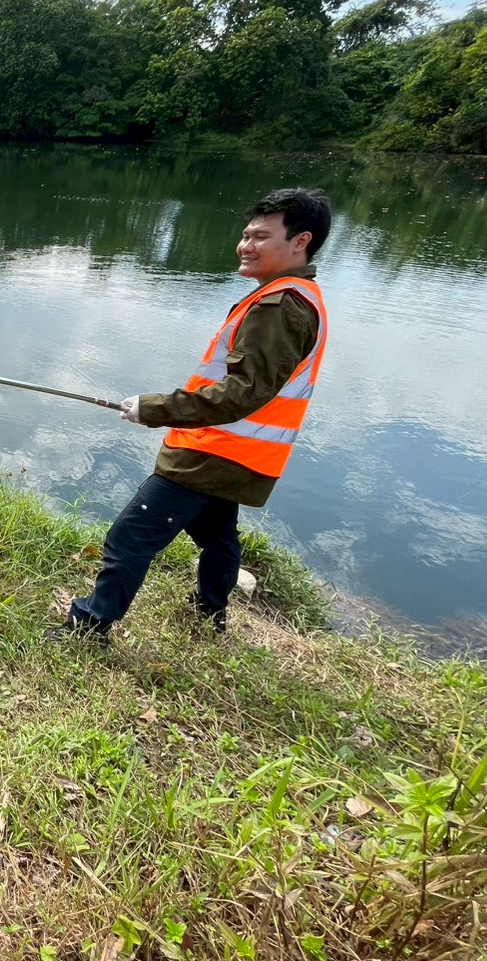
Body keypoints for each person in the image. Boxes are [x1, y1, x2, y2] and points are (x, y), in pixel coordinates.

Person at [48, 188, 331, 644]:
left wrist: (156, 409)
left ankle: (89, 627)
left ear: (301, 241)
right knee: (216, 535)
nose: (246, 246)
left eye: (261, 236)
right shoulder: (294, 296)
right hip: (239, 450)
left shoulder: (280, 307)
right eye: (245, 235)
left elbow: (241, 394)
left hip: (215, 449)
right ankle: (209, 616)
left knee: (131, 536)